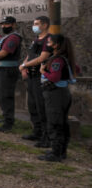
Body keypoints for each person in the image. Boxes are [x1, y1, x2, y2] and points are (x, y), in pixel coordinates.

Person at [38, 34, 78, 162]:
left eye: (50, 43)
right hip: (63, 93)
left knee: (55, 123)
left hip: (56, 94)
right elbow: (76, 69)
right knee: (62, 123)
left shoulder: (57, 60)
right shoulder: (66, 58)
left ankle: (56, 153)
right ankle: (61, 151)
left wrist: (43, 71)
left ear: (56, 45)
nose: (47, 45)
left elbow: (54, 77)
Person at [19, 16, 52, 145]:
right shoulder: (36, 40)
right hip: (31, 77)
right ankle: (37, 132)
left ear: (45, 25)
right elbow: (30, 55)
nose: (34, 26)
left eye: (37, 24)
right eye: (34, 23)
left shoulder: (49, 39)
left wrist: (25, 66)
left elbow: (42, 58)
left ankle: (47, 137)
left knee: (42, 107)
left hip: (41, 77)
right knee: (32, 106)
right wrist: (24, 65)